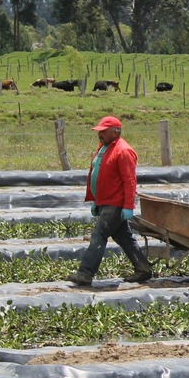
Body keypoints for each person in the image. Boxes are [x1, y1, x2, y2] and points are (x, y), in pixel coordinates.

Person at [66, 116, 153, 286]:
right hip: (106, 202)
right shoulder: (103, 149)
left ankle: (85, 274)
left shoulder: (123, 151)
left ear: (115, 132)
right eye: (99, 131)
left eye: (103, 131)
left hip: (116, 203)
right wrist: (96, 201)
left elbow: (130, 181)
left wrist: (128, 206)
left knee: (99, 235)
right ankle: (143, 269)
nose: (100, 134)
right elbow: (99, 176)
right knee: (124, 238)